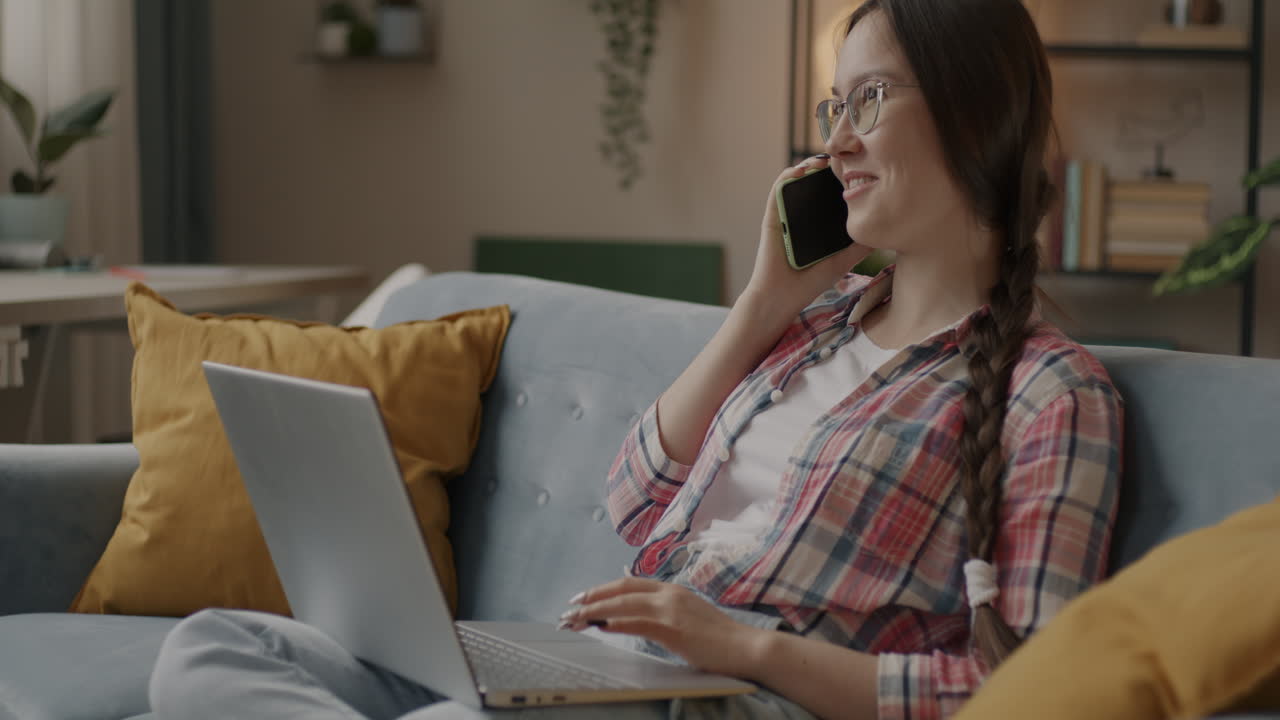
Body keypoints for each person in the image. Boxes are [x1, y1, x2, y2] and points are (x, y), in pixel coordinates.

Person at [148, 1, 1122, 718]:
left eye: (866, 99)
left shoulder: (1050, 394)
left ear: (971, 109)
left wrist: (739, 647)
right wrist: (758, 305)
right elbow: (633, 498)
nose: (836, 142)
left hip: (730, 699)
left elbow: (1027, 692)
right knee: (212, 650)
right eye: (833, 108)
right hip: (613, 668)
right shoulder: (811, 328)